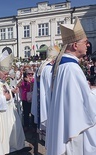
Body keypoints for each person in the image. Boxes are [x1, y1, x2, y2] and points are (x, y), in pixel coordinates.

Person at [46, 17, 96, 155]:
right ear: (75, 45)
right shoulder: (72, 68)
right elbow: (83, 106)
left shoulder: (62, 65)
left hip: (63, 124)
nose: (87, 45)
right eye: (85, 42)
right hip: (73, 129)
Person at [0, 48, 26, 153]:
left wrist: (12, 92)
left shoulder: (2, 80)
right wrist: (5, 97)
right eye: (5, 74)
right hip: (0, 116)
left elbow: (6, 92)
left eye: (7, 74)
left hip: (8, 113)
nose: (6, 76)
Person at [31, 45, 59, 141]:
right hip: (48, 100)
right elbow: (50, 88)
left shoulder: (41, 67)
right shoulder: (49, 69)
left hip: (42, 100)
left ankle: (44, 137)